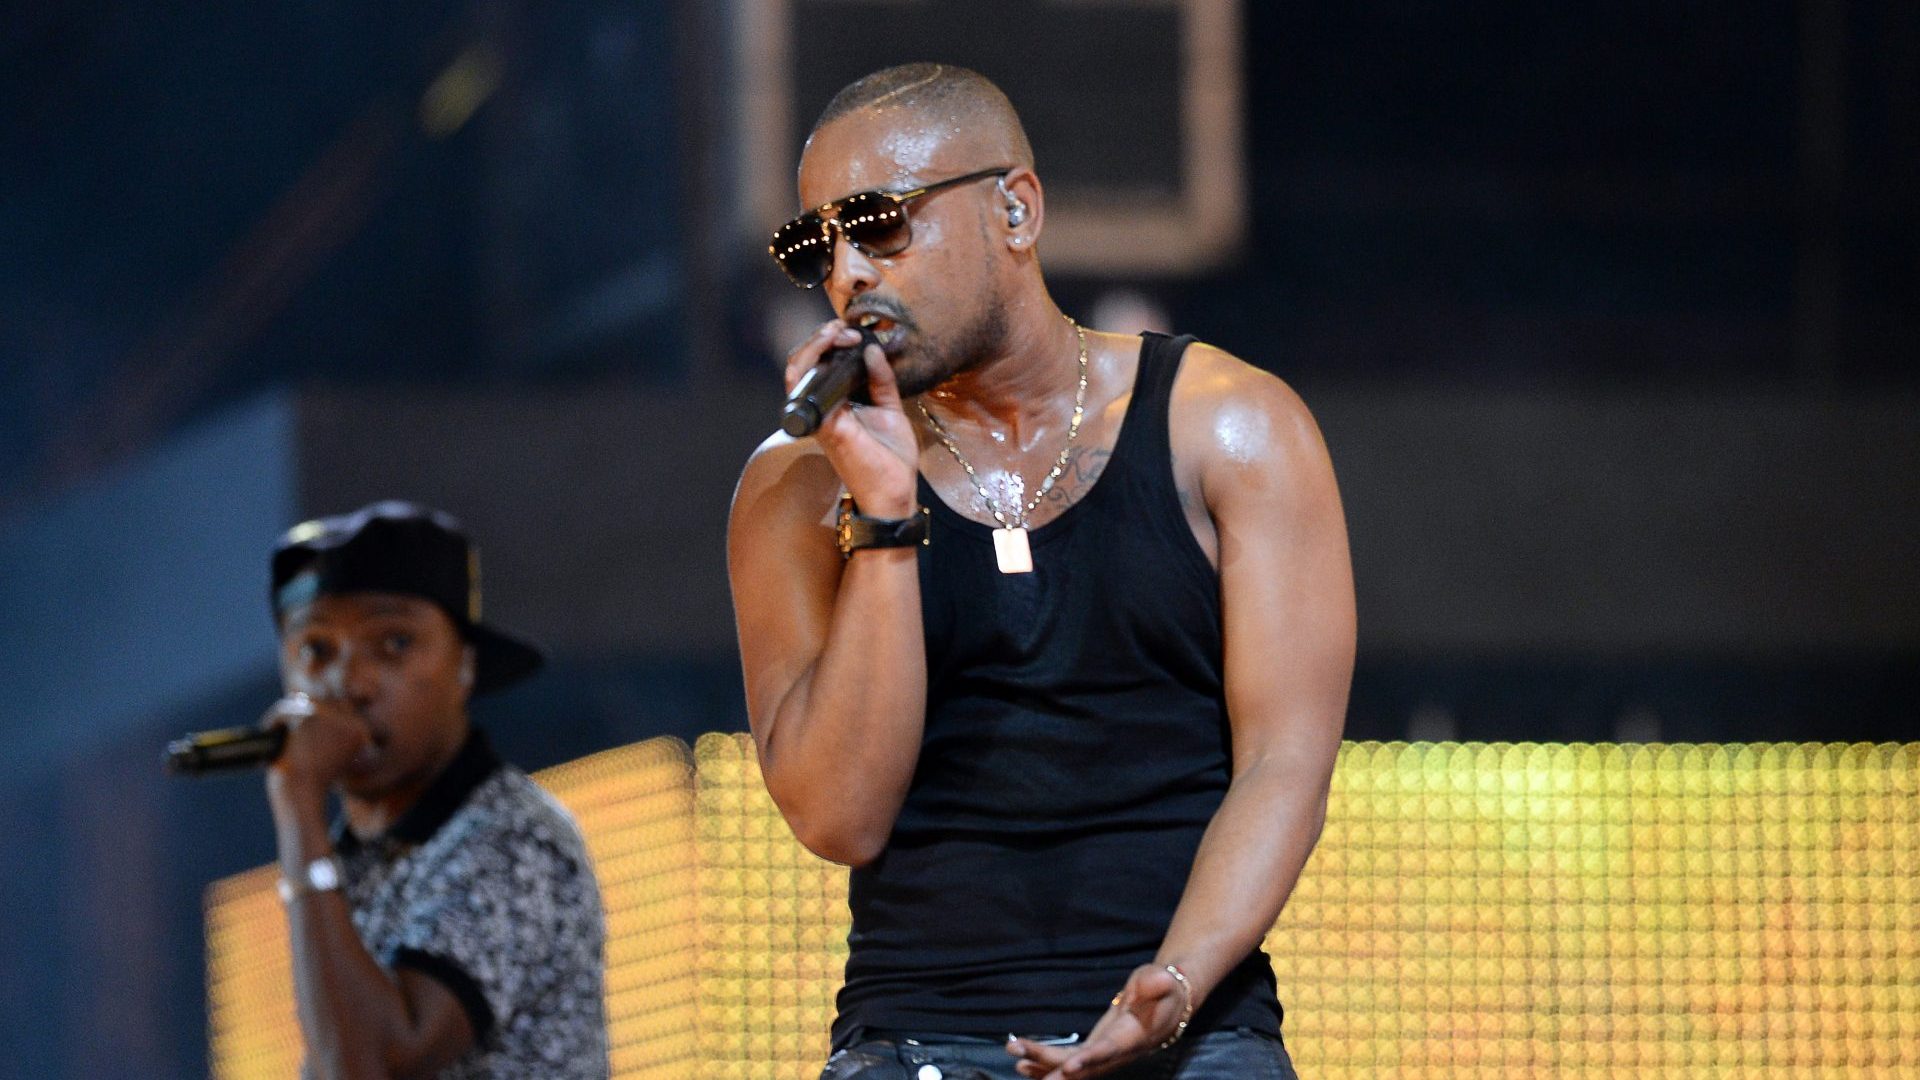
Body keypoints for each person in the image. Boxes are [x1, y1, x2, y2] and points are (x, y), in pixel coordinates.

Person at [729, 64, 1354, 1080]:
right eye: (817, 245)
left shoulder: (1233, 427)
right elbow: (840, 815)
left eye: (879, 223)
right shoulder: (799, 486)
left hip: (1194, 1026)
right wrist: (887, 519)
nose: (847, 273)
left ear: (1015, 210)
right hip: (913, 1037)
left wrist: (1177, 983)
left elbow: (1287, 761)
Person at [260, 501, 608, 1079]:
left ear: (465, 664)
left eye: (393, 643)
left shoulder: (513, 840)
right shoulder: (348, 858)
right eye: (315, 650)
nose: (350, 682)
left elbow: (376, 1062)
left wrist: (298, 806)